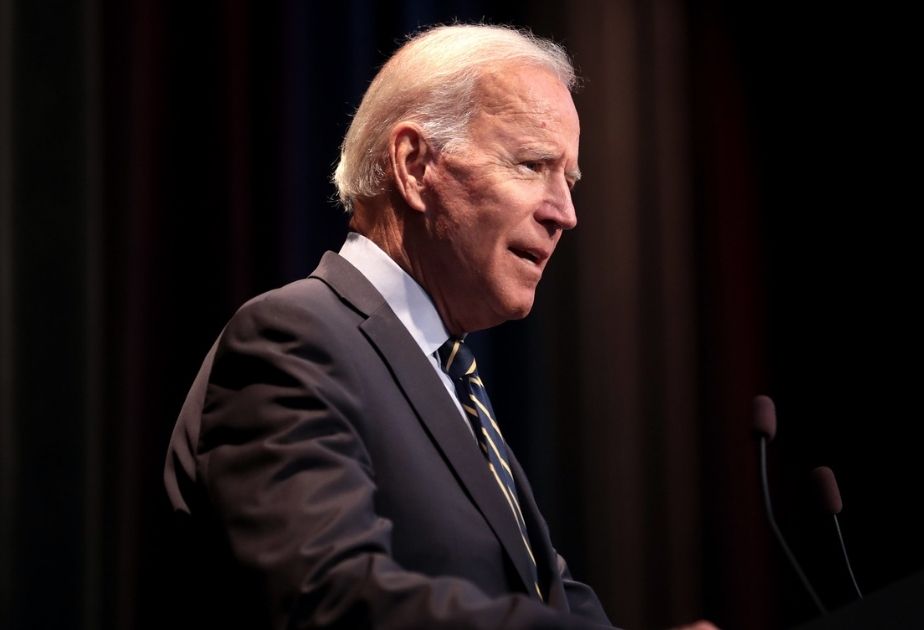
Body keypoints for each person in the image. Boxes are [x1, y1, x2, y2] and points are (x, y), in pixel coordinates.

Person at [163, 24, 609, 629]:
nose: (565, 213)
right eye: (533, 165)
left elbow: (544, 592)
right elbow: (329, 595)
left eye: (569, 180)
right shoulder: (294, 339)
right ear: (414, 164)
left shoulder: (450, 376)